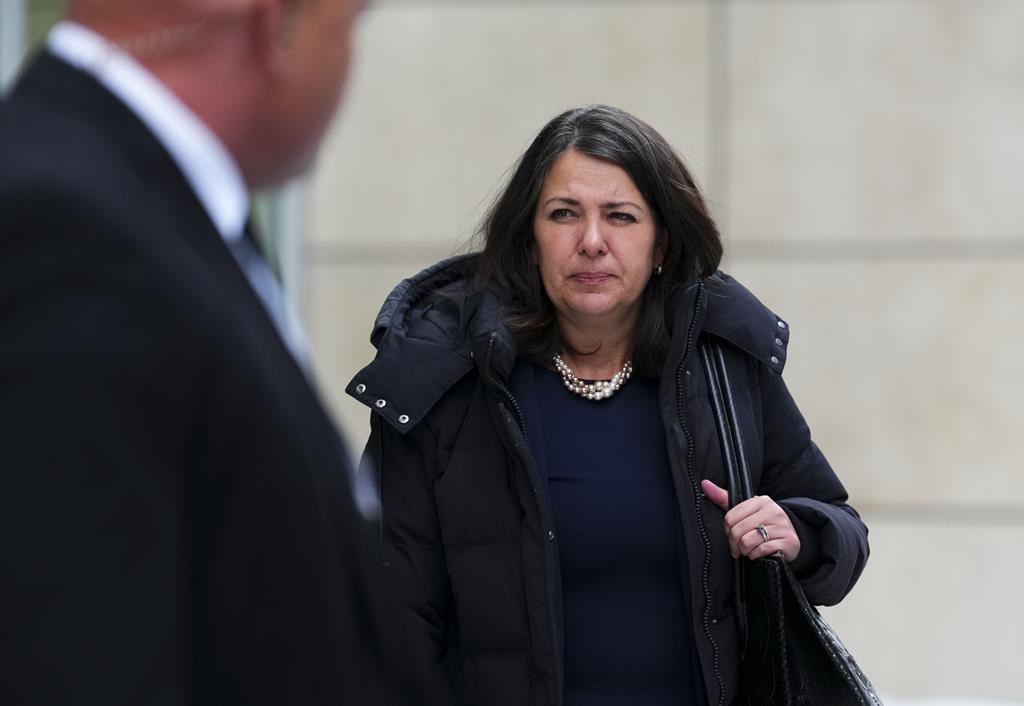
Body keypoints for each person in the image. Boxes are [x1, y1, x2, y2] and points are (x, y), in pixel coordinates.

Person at [347, 105, 870, 706]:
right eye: (564, 214)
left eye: (620, 217)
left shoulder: (725, 365)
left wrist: (798, 532)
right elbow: (388, 627)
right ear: (530, 238)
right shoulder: (444, 384)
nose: (591, 242)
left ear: (662, 244)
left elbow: (840, 528)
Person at [0, 1, 405, 704]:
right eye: (349, 23)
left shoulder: (141, 209)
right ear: (273, 27)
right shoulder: (65, 227)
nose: (349, 62)